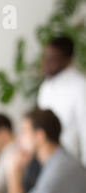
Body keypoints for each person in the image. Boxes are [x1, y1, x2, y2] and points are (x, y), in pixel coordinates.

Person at [38, 36, 86, 167]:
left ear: (67, 60)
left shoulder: (80, 86)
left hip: (71, 164)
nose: (46, 63)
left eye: (52, 59)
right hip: (46, 161)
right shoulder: (46, 87)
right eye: (45, 57)